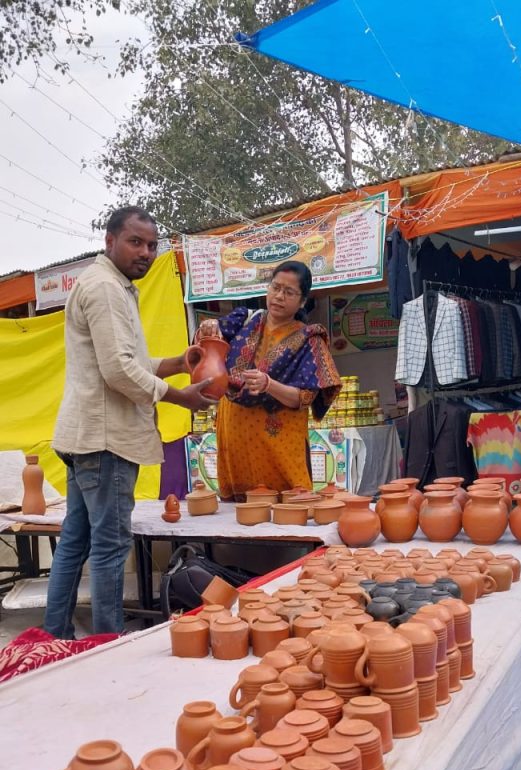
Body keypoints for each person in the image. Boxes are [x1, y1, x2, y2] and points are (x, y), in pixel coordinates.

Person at [45, 206, 213, 639]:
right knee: (109, 547)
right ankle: (108, 643)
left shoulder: (115, 286)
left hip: (88, 436)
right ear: (110, 241)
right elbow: (119, 372)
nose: (145, 252)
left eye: (152, 245)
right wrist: (181, 397)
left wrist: (178, 362)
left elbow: (129, 362)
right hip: (106, 441)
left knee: (76, 543)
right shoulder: (104, 288)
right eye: (135, 242)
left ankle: (54, 638)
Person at [195, 261, 341, 500]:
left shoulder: (309, 340)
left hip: (278, 447)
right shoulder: (244, 319)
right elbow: (209, 338)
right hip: (235, 441)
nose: (279, 296)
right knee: (240, 514)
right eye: (275, 287)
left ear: (303, 301)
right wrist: (207, 328)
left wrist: (268, 385)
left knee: (288, 512)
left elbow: (303, 398)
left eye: (289, 292)